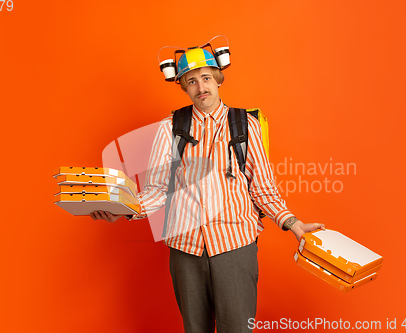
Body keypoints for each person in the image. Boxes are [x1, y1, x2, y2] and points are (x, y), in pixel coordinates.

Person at [91, 47, 325, 333]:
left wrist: (294, 224)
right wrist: (125, 211)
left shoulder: (245, 125)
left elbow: (263, 187)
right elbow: (156, 189)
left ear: (217, 78)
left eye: (205, 78)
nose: (200, 87)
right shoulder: (169, 129)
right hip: (185, 249)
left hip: (235, 245)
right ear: (184, 87)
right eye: (191, 81)